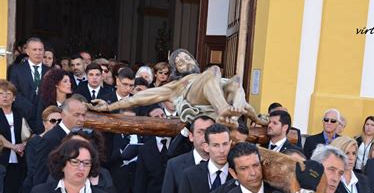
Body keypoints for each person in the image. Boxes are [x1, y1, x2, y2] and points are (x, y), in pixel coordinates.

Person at [89, 48, 268, 128]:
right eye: (179, 62)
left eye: (186, 58)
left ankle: (233, 114)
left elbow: (245, 103)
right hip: (198, 95)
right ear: (176, 70)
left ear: (194, 60)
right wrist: (110, 107)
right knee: (214, 70)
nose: (184, 62)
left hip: (222, 95)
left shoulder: (210, 76)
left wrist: (256, 119)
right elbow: (140, 98)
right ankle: (224, 112)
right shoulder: (175, 85)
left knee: (235, 80)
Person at [33, 95, 87, 186]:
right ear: (63, 115)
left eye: (83, 115)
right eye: (77, 115)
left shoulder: (83, 136)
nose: (81, 119)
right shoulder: (49, 139)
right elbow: (41, 175)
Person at [0, 80, 28, 193]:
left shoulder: (18, 114)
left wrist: (22, 145)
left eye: (8, 93)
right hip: (2, 159)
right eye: (1, 93)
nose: (4, 96)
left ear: (14, 97)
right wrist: (14, 146)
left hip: (16, 161)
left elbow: (27, 133)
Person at [22, 105, 62, 193]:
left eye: (59, 121)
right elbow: (32, 169)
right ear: (45, 123)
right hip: (34, 186)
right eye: (53, 121)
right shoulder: (34, 142)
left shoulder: (63, 140)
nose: (56, 124)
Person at [8, 37, 49, 128]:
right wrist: (30, 110)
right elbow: (14, 92)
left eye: (40, 50)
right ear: (27, 51)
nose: (38, 53)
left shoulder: (50, 71)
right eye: (34, 49)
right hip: (23, 115)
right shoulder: (16, 69)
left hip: (45, 116)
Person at [36, 68, 72, 132]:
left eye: (69, 81)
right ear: (56, 84)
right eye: (65, 81)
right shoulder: (44, 102)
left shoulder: (72, 101)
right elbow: (39, 125)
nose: (69, 84)